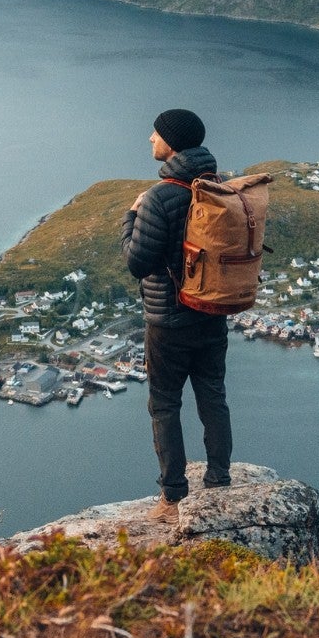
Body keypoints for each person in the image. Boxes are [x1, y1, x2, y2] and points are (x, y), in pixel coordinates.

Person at [120, 108, 232, 524]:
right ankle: (220, 480)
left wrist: (131, 217)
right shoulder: (219, 187)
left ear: (174, 143)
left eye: (157, 133)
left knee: (165, 405)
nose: (151, 138)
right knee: (213, 396)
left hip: (167, 321)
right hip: (213, 314)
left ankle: (172, 498)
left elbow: (137, 262)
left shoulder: (160, 197)